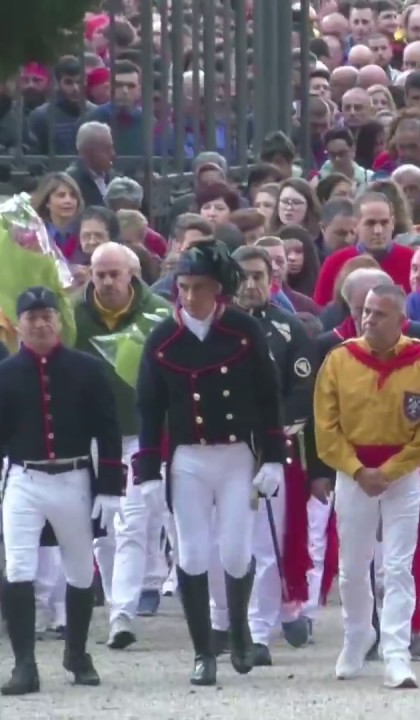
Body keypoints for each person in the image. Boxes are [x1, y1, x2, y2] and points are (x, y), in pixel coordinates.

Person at [133, 240, 285, 686]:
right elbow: (149, 406)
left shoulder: (242, 331)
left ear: (218, 289)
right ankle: (204, 651)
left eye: (199, 287)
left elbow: (267, 395)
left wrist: (273, 456)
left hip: (237, 454)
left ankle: (238, 630)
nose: (190, 296)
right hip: (188, 459)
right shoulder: (164, 338)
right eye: (183, 286)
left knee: (237, 550)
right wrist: (146, 469)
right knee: (194, 552)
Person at [0, 287, 124, 695]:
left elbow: (109, 428)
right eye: (32, 317)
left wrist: (109, 487)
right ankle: (24, 664)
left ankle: (77, 653)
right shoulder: (2, 375)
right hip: (24, 480)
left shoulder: (87, 369)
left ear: (59, 320)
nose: (41, 323)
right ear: (20, 324)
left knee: (81, 570)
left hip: (74, 477)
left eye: (47, 315)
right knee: (18, 569)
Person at [314, 283, 420, 689]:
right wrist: (355, 468)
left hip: (403, 472)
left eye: (379, 314)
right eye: (365, 311)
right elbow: (325, 427)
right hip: (354, 473)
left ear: (401, 320)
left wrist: (393, 469)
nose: (368, 319)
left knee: (400, 566)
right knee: (352, 567)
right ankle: (356, 635)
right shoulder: (338, 360)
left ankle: (396, 650)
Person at [206, 246, 318, 666]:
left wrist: (268, 434)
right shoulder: (213, 329)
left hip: (271, 449)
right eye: (244, 276)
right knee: (219, 541)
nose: (251, 285)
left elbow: (301, 393)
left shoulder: (290, 331)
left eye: (259, 276)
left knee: (264, 544)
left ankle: (258, 630)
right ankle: (222, 622)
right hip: (220, 447)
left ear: (273, 278)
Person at [71, 242, 174, 649]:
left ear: (132, 274)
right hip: (90, 436)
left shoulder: (159, 314)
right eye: (99, 274)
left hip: (138, 434)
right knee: (101, 531)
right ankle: (116, 599)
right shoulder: (74, 315)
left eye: (115, 273)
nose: (107, 281)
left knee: (132, 523)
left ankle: (123, 615)